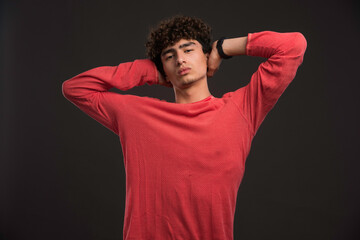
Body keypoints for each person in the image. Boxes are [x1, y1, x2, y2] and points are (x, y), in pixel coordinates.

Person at [62, 15, 307, 240]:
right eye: (169, 56)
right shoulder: (136, 115)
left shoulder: (241, 110)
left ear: (205, 55)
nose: (180, 59)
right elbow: (75, 88)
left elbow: (292, 47)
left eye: (188, 50)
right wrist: (150, 71)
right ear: (163, 68)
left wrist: (222, 48)